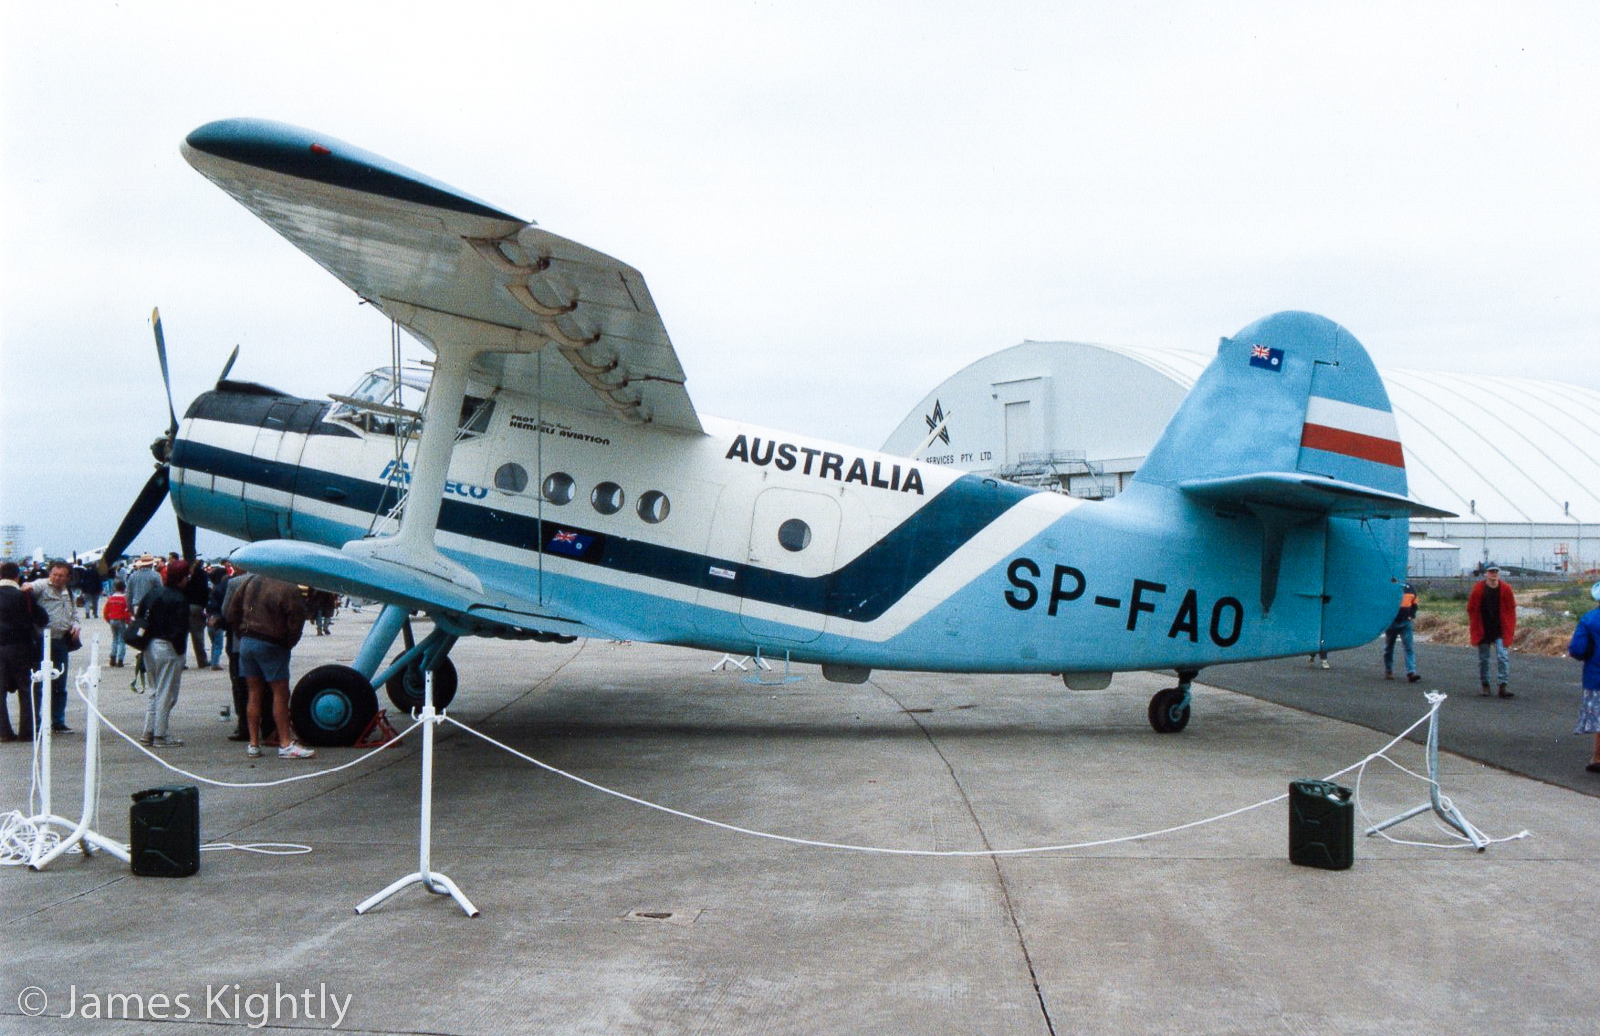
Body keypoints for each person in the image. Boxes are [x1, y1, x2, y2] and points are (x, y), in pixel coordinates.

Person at [225, 572, 315, 759]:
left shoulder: (250, 581)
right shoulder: (288, 585)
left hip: (247, 641)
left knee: (253, 692)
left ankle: (253, 743)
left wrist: (242, 634)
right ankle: (285, 742)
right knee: (280, 693)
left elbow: (232, 611)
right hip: (272, 642)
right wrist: (288, 642)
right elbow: (296, 619)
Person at [135, 560, 192, 747]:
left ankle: (148, 731)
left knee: (154, 689)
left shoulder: (154, 593)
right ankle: (161, 734)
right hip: (168, 646)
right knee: (167, 692)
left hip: (148, 645)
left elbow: (140, 617)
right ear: (183, 578)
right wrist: (180, 651)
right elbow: (180, 628)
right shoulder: (179, 598)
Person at [26, 560, 81, 732]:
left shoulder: (68, 592)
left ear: (68, 577)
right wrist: (26, 587)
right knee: (39, 682)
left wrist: (76, 624)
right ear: (50, 574)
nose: (57, 578)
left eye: (61, 576)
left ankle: (57, 720)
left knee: (60, 683)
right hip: (42, 640)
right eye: (54, 574)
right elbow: (30, 588)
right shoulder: (42, 585)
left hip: (61, 641)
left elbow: (74, 613)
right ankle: (36, 721)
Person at [0, 561, 48, 741]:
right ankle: (27, 731)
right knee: (26, 689)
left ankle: (3, 731)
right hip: (21, 646)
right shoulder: (24, 596)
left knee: (0, 691)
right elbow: (42, 618)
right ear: (17, 576)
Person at [1468, 563, 1516, 698]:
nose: (1494, 574)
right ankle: (1485, 685)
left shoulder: (1505, 588)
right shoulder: (1478, 589)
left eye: (1496, 571)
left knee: (1503, 656)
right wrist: (1475, 624)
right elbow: (1471, 607)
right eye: (1491, 571)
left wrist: (1510, 624)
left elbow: (1511, 608)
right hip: (1483, 628)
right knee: (1484, 658)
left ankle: (1503, 686)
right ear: (1486, 574)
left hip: (1500, 628)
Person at [1570, 582, 1600, 774]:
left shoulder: (1589, 619)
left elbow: (1577, 649)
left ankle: (1597, 757)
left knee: (1599, 720)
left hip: (1595, 676)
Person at [1383, 581, 1421, 683]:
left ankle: (1411, 672)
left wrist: (1412, 614)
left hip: (1405, 622)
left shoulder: (1410, 587)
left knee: (1408, 648)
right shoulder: (1390, 586)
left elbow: (1415, 601)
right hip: (1392, 622)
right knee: (1389, 647)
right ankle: (1389, 670)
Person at [102, 580, 132, 667]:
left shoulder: (110, 598)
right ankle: (120, 659)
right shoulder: (124, 599)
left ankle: (112, 657)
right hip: (121, 620)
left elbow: (105, 611)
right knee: (122, 640)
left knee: (114, 639)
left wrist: (108, 620)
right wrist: (128, 621)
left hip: (112, 620)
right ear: (124, 589)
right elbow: (127, 612)